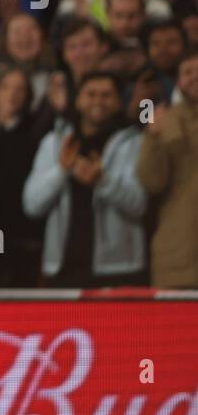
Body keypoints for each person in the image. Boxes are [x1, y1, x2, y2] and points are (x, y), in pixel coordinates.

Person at [22, 71, 148, 287]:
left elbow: (139, 205)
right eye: (90, 94)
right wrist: (62, 171)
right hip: (62, 270)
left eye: (107, 95)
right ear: (78, 101)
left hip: (119, 270)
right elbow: (32, 205)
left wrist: (102, 181)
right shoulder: (53, 143)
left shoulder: (135, 143)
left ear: (119, 102)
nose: (98, 100)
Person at [136, 50, 198, 288]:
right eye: (187, 72)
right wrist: (152, 138)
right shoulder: (163, 120)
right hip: (179, 256)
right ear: (178, 81)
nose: (195, 77)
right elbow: (151, 182)